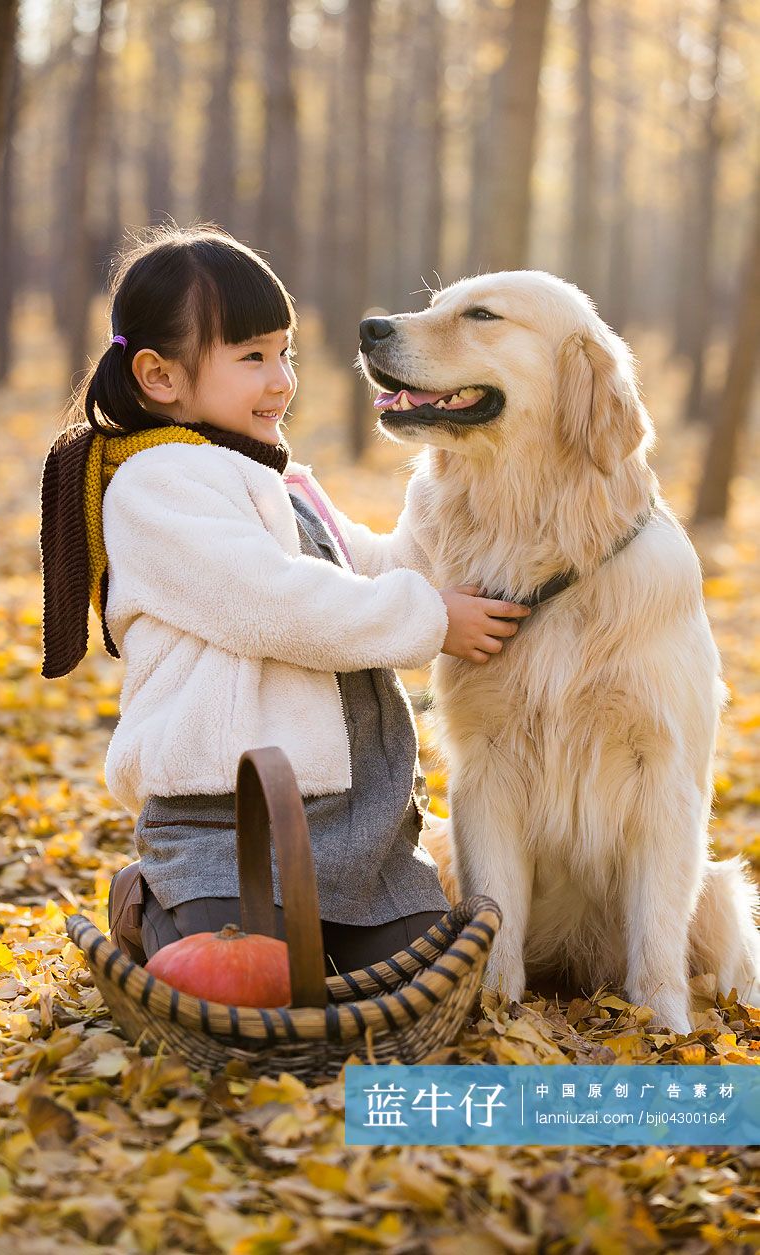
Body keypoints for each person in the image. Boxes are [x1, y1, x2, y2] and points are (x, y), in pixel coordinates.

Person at [39, 224, 530, 977]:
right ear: (159, 377)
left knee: (433, 977)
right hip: (224, 822)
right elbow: (278, 603)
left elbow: (379, 566)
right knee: (247, 983)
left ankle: (339, 925)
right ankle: (157, 897)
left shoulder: (279, 480)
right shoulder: (154, 487)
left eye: (284, 352)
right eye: (251, 358)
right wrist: (431, 619)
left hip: (356, 825)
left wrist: (446, 462)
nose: (281, 381)